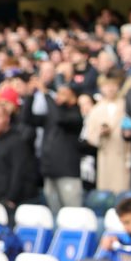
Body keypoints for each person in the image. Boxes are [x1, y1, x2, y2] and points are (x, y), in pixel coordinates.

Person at [30, 81, 86, 212]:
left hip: (67, 172)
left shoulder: (75, 114)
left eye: (63, 94)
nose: (58, 97)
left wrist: (46, 95)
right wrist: (29, 96)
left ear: (73, 97)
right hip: (50, 171)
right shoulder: (53, 114)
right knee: (55, 214)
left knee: (72, 213)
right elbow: (28, 119)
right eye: (58, 94)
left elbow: (59, 118)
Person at [0, 104, 39, 215]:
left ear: (7, 118)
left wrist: (11, 199)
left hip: (8, 203)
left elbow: (20, 172)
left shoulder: (17, 142)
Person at [85, 70, 131, 194]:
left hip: (123, 155)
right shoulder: (96, 109)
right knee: (106, 194)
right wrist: (100, 133)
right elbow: (90, 136)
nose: (110, 89)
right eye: (106, 86)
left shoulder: (126, 105)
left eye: (113, 85)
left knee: (123, 191)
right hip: (105, 156)